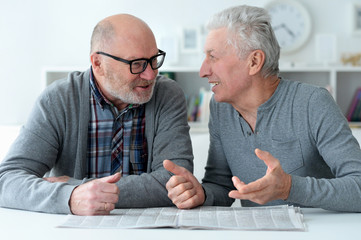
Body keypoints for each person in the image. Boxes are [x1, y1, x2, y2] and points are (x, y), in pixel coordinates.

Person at [163, 5, 361, 212]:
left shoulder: (313, 102)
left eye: (213, 57)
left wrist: (289, 188)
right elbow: (221, 185)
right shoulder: (221, 108)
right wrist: (201, 194)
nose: (203, 71)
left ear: (254, 61)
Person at [0, 14, 193, 215]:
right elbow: (7, 180)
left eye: (154, 59)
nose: (151, 74)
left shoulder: (167, 95)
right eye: (136, 64)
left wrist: (75, 189)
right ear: (98, 63)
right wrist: (72, 198)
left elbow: (175, 183)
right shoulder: (58, 100)